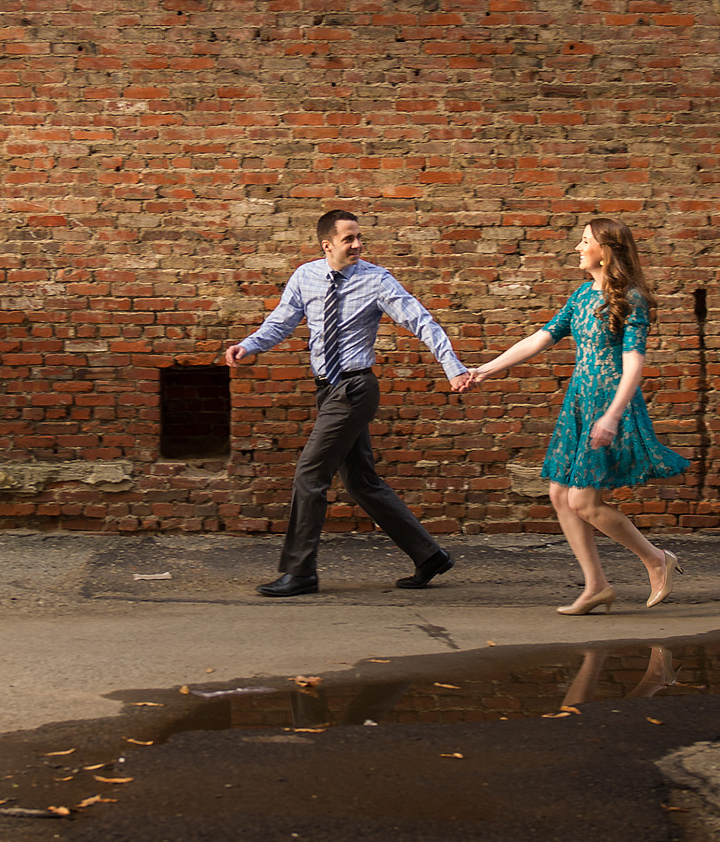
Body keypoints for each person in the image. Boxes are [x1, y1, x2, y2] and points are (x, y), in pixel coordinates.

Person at [225, 209, 476, 597]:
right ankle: (429, 555)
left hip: (355, 389)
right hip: (327, 389)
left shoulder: (377, 281)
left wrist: (452, 366)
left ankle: (300, 571)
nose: (358, 245)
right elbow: (282, 321)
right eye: (349, 239)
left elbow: (421, 320)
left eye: (359, 238)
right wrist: (249, 345)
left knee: (310, 475)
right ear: (327, 245)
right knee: (361, 482)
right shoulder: (305, 276)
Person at [465, 218, 689, 613]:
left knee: (584, 501)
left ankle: (656, 560)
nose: (577, 248)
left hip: (609, 404)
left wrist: (613, 416)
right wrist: (485, 369)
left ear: (606, 250)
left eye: (584, 241)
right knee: (559, 494)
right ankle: (596, 585)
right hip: (580, 404)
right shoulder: (582, 297)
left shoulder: (630, 298)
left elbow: (634, 363)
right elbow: (539, 339)